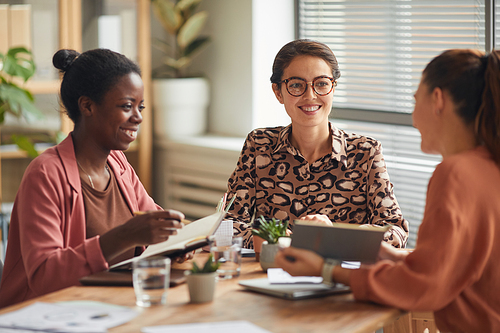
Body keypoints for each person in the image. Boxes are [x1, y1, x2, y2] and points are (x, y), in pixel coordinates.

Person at [276, 49, 500, 332]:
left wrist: (326, 270)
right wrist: (386, 253)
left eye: (415, 100)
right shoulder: (489, 165)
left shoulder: (456, 173)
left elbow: (423, 286)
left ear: (438, 100)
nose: (413, 117)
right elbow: (456, 265)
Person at [0, 49, 185, 308]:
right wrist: (123, 236)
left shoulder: (118, 165)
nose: (138, 117)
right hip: (50, 316)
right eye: (126, 106)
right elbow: (44, 276)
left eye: (140, 107)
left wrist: (183, 239)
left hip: (112, 306)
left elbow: (154, 223)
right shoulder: (45, 174)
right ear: (87, 106)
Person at [225, 39, 408, 249]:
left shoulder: (365, 152)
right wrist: (276, 239)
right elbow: (226, 224)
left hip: (340, 277)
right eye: (296, 85)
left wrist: (333, 236)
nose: (310, 96)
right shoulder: (259, 145)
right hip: (272, 276)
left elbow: (395, 231)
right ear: (278, 92)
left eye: (321, 83)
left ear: (333, 88)